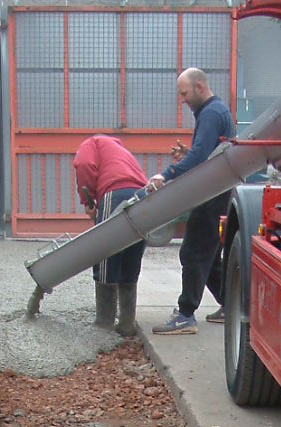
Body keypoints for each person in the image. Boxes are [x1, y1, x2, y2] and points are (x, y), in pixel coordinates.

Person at [146, 68, 235, 335]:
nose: (182, 99)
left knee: (193, 253)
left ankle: (186, 315)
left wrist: (167, 174)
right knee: (209, 257)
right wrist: (187, 153)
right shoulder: (216, 111)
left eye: (184, 93)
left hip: (211, 195)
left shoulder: (210, 113)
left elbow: (199, 157)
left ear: (199, 87)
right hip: (216, 191)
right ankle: (233, 306)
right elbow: (206, 153)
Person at [73, 134, 148, 337]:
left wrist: (87, 201)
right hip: (143, 196)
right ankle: (126, 324)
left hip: (115, 193)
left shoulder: (92, 143)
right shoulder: (121, 152)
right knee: (132, 253)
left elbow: (84, 164)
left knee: (105, 254)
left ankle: (104, 324)